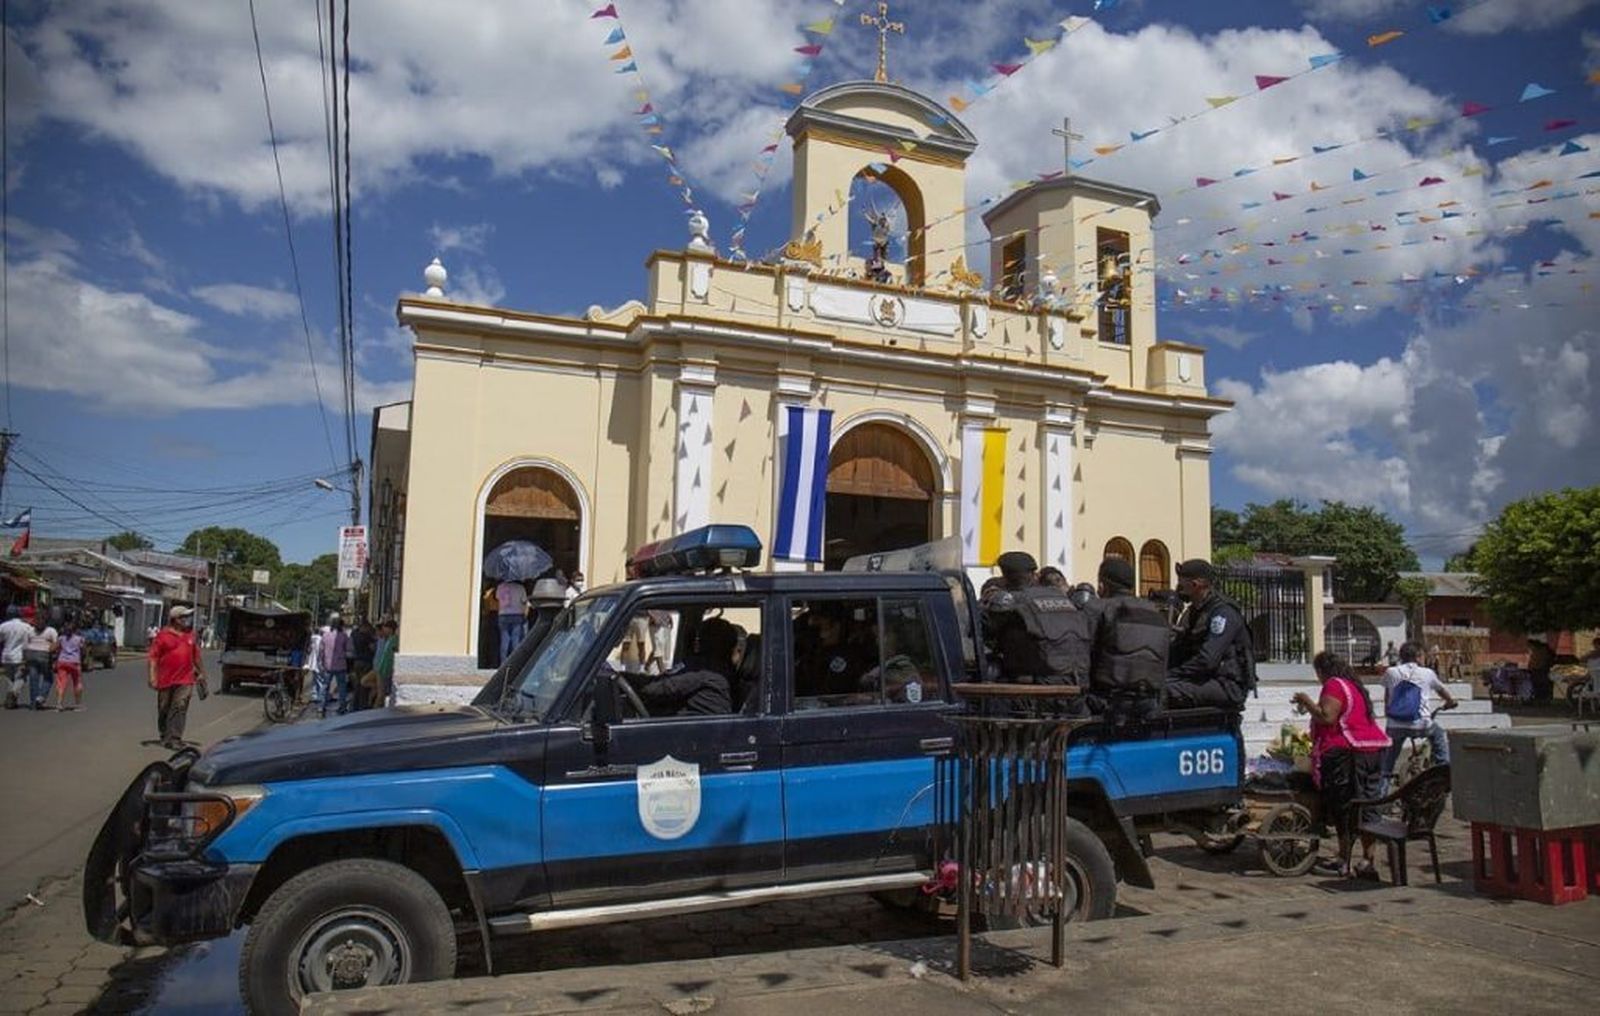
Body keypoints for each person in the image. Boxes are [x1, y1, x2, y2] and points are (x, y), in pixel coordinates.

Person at [1293, 651, 1390, 879]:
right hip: (1371, 749)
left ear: (1321, 671)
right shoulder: (1353, 685)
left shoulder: (1334, 685)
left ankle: (1343, 860)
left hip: (1348, 753)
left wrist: (1305, 701)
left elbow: (1327, 717)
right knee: (1367, 804)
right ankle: (1367, 860)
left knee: (1344, 806)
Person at [982, 550, 1091, 709]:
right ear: (1034, 575)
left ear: (1005, 578)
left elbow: (986, 635)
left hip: (1038, 695)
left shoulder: (1015, 603)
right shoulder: (1061, 597)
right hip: (1078, 690)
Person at [1085, 557, 1168, 721]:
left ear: (1102, 585)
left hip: (1107, 703)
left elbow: (1083, 654)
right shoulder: (1156, 613)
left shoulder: (1097, 608)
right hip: (1150, 703)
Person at [1165, 559, 1252, 710]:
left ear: (1195, 585)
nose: (1178, 588)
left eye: (1181, 582)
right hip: (1205, 679)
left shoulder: (1222, 613)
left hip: (1226, 685)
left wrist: (1173, 674)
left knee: (1164, 691)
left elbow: (1207, 660)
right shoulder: (1195, 612)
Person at [1379, 641, 1457, 790]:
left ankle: (1381, 793)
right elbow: (1442, 691)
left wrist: (1390, 716)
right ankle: (1444, 772)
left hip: (1395, 725)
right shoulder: (1427, 673)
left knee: (1388, 763)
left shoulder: (1391, 672)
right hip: (1421, 724)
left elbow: (1387, 699)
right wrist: (1451, 702)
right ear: (1418, 656)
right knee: (1439, 735)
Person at [626, 616, 736, 716]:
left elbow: (660, 688)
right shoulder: (715, 668)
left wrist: (626, 679)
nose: (697, 642)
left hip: (699, 731)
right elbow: (665, 682)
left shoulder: (705, 669)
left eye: (700, 638)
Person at [148, 606, 206, 750]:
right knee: (164, 708)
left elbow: (196, 657)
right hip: (165, 679)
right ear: (176, 620)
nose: (187, 620)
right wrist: (152, 677)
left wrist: (202, 673)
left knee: (180, 706)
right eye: (184, 617)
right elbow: (153, 658)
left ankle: (175, 738)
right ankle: (165, 734)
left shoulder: (190, 635)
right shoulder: (163, 636)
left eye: (188, 617)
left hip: (186, 679)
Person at [21, 607, 58, 710]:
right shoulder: (51, 630)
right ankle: (40, 697)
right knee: (48, 678)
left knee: (33, 679)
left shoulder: (30, 630)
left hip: (30, 654)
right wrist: (52, 653)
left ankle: (33, 704)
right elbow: (55, 644)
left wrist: (24, 659)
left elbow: (25, 645)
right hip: (44, 655)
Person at [318, 612, 353, 717]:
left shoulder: (325, 636)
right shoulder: (344, 636)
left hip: (328, 665)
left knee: (325, 687)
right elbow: (349, 649)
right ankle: (342, 707)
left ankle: (321, 707)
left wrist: (322, 662)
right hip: (341, 665)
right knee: (342, 687)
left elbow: (321, 651)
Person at [2, 605, 31, 709]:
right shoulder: (26, 627)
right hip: (20, 656)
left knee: (9, 678)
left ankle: (11, 699)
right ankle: (13, 693)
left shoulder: (3, 626)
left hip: (6, 656)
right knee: (21, 678)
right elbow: (30, 640)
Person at [52, 620, 86, 711]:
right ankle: (78, 705)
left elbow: (55, 648)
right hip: (74, 662)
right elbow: (83, 650)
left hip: (62, 661)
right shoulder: (79, 639)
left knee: (61, 683)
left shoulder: (61, 638)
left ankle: (59, 704)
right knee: (77, 682)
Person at [494, 579, 529, 666]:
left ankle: (503, 664)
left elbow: (497, 598)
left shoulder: (500, 587)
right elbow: (524, 601)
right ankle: (515, 663)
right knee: (515, 640)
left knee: (504, 640)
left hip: (503, 615)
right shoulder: (520, 588)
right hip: (517, 615)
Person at [350, 618, 377, 710]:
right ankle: (363, 705)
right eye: (368, 628)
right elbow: (372, 648)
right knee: (364, 684)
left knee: (358, 684)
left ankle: (355, 705)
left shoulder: (354, 635)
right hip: (366, 662)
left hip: (357, 661)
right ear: (365, 627)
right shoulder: (367, 636)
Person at [373, 619, 398, 707]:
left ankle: (374, 713)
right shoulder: (388, 639)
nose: (384, 630)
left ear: (390, 629)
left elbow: (391, 657)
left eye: (386, 628)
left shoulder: (394, 640)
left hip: (386, 670)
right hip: (382, 669)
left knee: (381, 694)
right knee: (381, 693)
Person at [1526, 638, 1555, 703]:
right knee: (1540, 685)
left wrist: (1531, 667)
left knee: (1539, 685)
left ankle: (1541, 699)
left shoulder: (1540, 651)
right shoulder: (1540, 650)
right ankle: (1541, 698)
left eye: (1530, 646)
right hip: (1540, 669)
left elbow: (1537, 661)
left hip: (1540, 670)